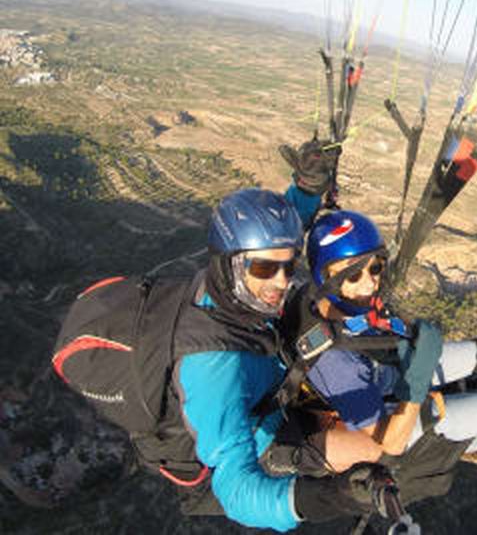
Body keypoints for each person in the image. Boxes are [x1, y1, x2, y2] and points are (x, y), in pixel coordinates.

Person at [53, 145, 397, 529]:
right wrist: (328, 497)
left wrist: (308, 189)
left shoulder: (230, 286)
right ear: (232, 265)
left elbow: (273, 236)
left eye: (288, 266)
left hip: (265, 381)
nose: (282, 282)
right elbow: (236, 491)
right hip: (252, 433)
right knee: (374, 449)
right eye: (266, 269)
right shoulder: (212, 368)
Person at [298, 209, 477, 468]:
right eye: (353, 275)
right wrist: (417, 382)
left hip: (386, 373)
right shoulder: (335, 362)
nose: (370, 284)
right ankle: (475, 445)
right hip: (389, 421)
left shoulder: (320, 303)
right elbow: (390, 444)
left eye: (375, 268)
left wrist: (401, 333)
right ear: (324, 278)